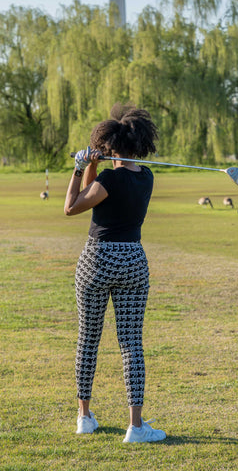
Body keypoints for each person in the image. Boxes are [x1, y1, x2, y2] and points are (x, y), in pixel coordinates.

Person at [64, 103, 166, 443]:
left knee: (88, 340)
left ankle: (84, 417)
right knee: (131, 344)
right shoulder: (147, 177)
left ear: (110, 145)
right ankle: (136, 427)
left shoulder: (107, 178)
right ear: (140, 144)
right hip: (133, 261)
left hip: (97, 260)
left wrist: (80, 168)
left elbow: (73, 206)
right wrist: (95, 166)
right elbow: (102, 194)